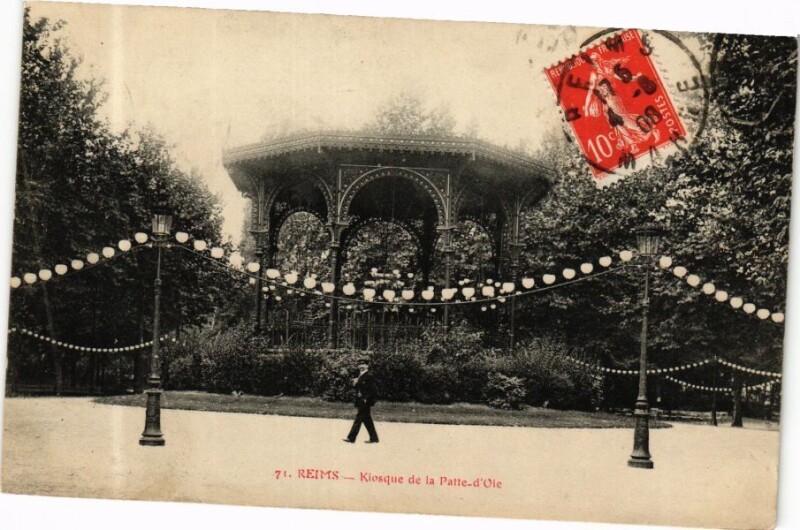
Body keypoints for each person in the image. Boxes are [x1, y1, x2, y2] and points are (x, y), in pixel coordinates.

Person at [343, 361, 379, 444]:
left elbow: (372, 389)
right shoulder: (360, 375)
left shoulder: (369, 376)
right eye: (359, 364)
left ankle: (351, 438)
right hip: (360, 400)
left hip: (365, 401)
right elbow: (358, 387)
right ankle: (374, 438)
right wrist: (355, 383)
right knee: (367, 420)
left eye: (363, 364)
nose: (361, 366)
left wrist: (366, 398)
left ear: (367, 366)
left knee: (359, 418)